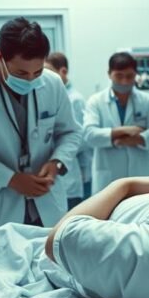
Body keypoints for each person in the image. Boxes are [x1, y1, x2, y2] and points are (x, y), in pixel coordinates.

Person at [0, 17, 81, 233]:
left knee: (47, 252)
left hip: (43, 202)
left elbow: (70, 132)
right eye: (21, 73)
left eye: (37, 72)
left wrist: (56, 162)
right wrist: (11, 179)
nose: (30, 80)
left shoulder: (53, 84)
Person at [83, 52, 149, 194]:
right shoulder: (96, 101)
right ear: (109, 74)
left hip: (141, 174)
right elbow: (89, 135)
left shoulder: (146, 100)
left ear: (136, 75)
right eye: (119, 76)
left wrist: (135, 140)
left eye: (129, 76)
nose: (125, 82)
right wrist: (124, 131)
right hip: (109, 177)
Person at [44, 51, 91, 208]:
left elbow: (79, 140)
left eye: (48, 72)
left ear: (63, 71)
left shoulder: (74, 99)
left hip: (69, 174)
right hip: (55, 176)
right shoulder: (49, 95)